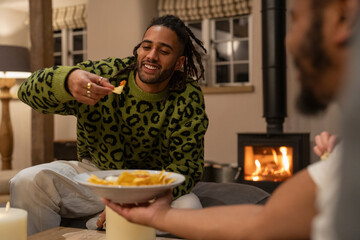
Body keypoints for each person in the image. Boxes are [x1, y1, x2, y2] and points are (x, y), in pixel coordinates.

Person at [103, 0, 360, 239]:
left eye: (296, 21)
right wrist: (157, 215)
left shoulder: (187, 97)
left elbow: (264, 223)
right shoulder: (343, 162)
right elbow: (266, 221)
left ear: (343, 16)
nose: (289, 42)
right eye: (147, 47)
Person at [10, 15, 209, 235]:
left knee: (190, 208)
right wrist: (67, 81)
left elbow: (187, 168)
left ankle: (115, 221)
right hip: (97, 176)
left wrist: (137, 199)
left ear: (179, 62)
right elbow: (26, 92)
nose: (151, 56)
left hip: (154, 185)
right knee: (28, 181)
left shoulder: (187, 95)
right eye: (146, 47)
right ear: (138, 49)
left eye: (164, 51)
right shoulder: (105, 74)